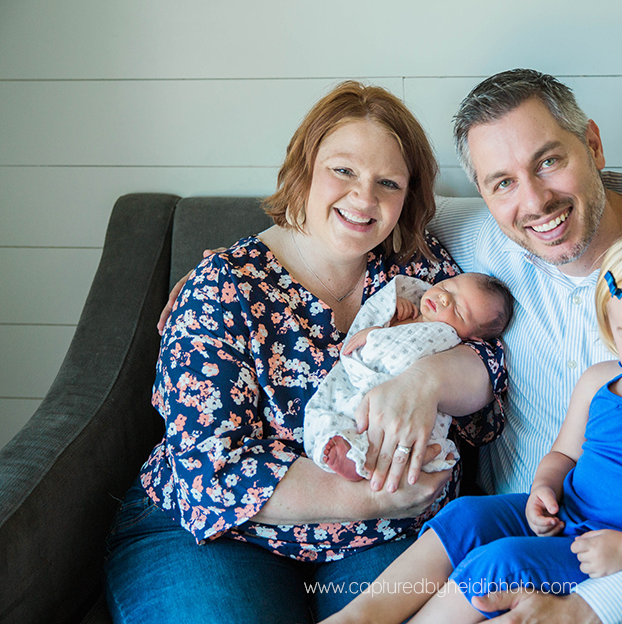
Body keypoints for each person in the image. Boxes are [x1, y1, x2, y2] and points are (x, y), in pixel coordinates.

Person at [159, 69, 622, 623]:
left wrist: (604, 600)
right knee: (470, 539)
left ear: (593, 145)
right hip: (529, 520)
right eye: (502, 182)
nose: (534, 200)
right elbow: (351, 211)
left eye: (550, 160)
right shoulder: (481, 243)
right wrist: (223, 272)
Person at [104, 81, 509, 624]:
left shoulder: (419, 268)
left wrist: (429, 379)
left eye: (387, 182)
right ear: (304, 168)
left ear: (407, 197)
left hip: (381, 538)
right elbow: (210, 470)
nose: (364, 199)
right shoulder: (224, 286)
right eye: (343, 170)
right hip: (222, 534)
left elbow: (488, 380)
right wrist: (376, 499)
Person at [322, 230, 622, 624]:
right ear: (612, 331)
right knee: (467, 515)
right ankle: (363, 615)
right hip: (565, 516)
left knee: (502, 562)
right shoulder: (598, 383)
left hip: (609, 552)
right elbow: (564, 455)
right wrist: (544, 488)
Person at [309, 272, 513, 482]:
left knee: (414, 441)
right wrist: (381, 325)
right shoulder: (405, 309)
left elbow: (481, 365)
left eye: (458, 310)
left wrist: (376, 339)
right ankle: (349, 451)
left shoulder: (449, 340)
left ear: (472, 336)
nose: (444, 299)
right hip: (362, 382)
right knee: (335, 415)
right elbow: (378, 335)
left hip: (404, 403)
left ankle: (362, 460)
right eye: (446, 288)